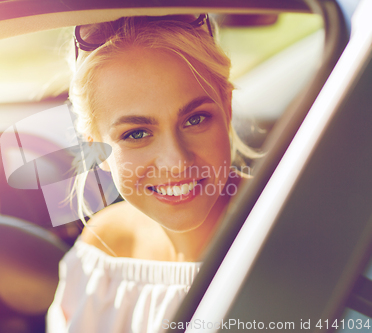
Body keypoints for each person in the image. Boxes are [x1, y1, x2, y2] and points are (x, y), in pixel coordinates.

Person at [46, 14, 257, 333]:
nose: (176, 163)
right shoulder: (103, 251)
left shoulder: (291, 228)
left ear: (226, 108)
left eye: (196, 119)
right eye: (136, 134)